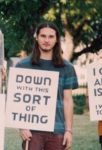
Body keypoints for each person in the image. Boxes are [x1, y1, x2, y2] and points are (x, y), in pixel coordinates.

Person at [16, 22, 78, 150]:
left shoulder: (67, 68)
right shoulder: (23, 66)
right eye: (43, 36)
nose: (46, 40)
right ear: (36, 37)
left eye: (51, 37)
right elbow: (17, 99)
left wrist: (69, 131)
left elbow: (67, 100)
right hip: (32, 130)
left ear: (56, 40)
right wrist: (22, 126)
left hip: (58, 130)